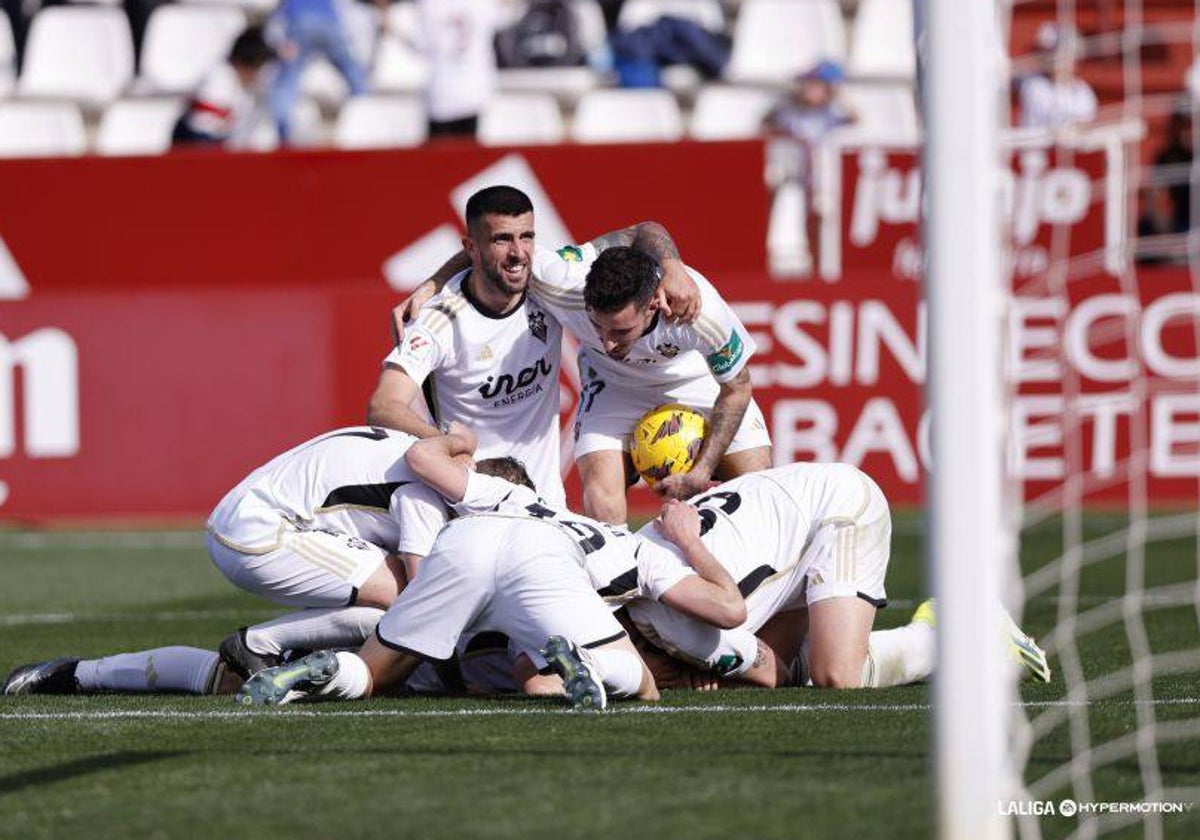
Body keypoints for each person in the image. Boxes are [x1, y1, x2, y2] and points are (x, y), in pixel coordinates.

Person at [367, 185, 699, 508]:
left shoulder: (545, 279)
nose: (518, 253)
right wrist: (450, 445)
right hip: (472, 504)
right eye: (502, 239)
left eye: (526, 236)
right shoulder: (439, 321)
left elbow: (641, 231)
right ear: (471, 247)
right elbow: (384, 406)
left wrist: (672, 267)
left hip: (546, 506)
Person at [621, 463, 1052, 690]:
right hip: (786, 521)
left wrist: (712, 669)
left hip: (838, 507)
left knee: (834, 676)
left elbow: (774, 674)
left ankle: (958, 634)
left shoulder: (681, 629)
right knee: (790, 660)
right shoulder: (626, 564)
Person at [544, 245, 772, 524]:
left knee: (760, 487)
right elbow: (490, 253)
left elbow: (737, 389)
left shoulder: (701, 314)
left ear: (654, 303)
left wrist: (700, 473)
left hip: (697, 381)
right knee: (601, 500)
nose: (607, 343)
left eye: (621, 330)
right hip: (613, 385)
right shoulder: (561, 285)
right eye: (597, 326)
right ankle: (620, 567)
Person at [266, 0, 385, 143]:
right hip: (330, 21)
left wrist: (281, 43)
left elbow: (275, 20)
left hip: (301, 21)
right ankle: (368, 106)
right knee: (353, 74)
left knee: (287, 80)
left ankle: (283, 129)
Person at [171, 26, 276, 149]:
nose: (260, 75)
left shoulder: (244, 88)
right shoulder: (216, 83)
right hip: (199, 147)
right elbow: (201, 133)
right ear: (242, 64)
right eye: (258, 68)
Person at [418, 0, 500, 140]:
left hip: (442, 93)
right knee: (470, 158)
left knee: (439, 160)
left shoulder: (429, 4)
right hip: (475, 93)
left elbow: (420, 44)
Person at [1017, 23, 1097, 131]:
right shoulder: (1035, 88)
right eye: (1052, 54)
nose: (1058, 60)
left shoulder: (1084, 93)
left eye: (1065, 54)